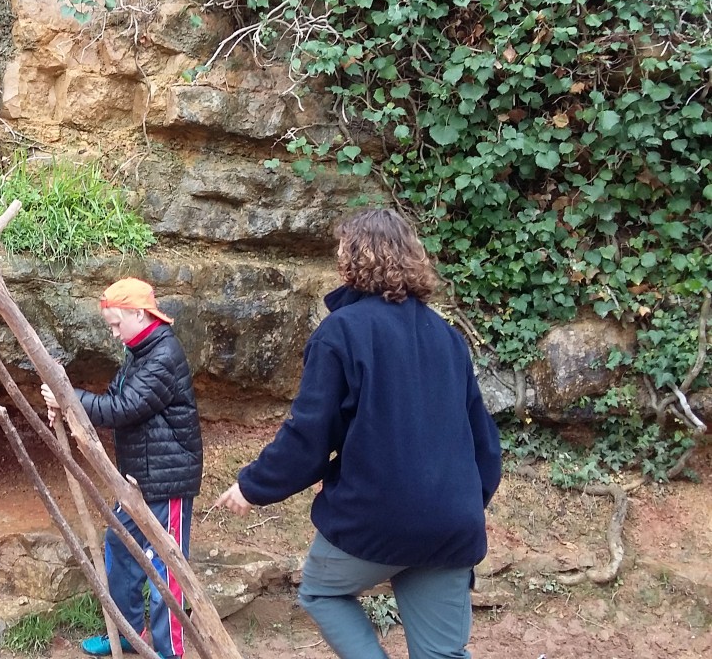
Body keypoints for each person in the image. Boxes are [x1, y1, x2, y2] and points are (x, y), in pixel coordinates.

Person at [214, 208, 502, 659]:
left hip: (378, 519)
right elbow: (485, 445)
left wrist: (252, 487)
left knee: (320, 591)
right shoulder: (448, 338)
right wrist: (460, 505)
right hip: (451, 523)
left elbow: (309, 436)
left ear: (353, 258)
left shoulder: (341, 332)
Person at [41, 277, 203, 659]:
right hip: (138, 479)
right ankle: (131, 632)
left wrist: (69, 397)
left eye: (116, 324)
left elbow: (123, 408)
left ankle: (170, 652)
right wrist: (69, 404)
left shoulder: (163, 355)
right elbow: (115, 396)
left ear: (139, 314)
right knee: (120, 546)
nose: (113, 333)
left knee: (167, 569)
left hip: (167, 481)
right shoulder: (139, 350)